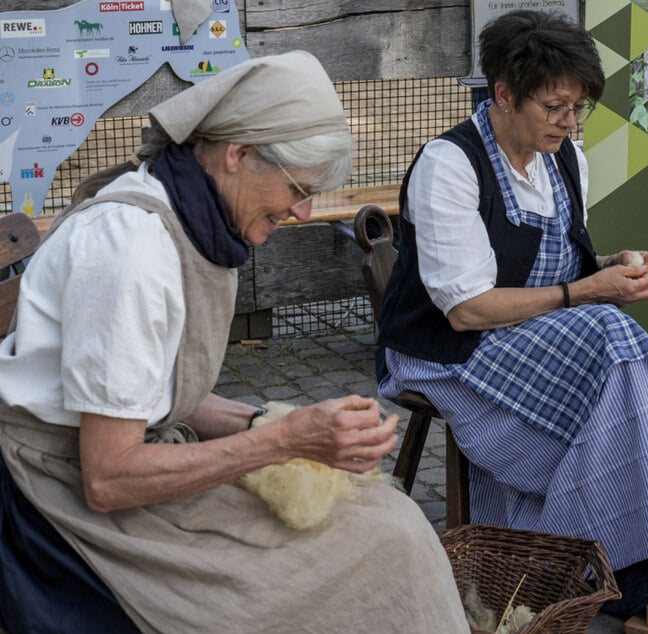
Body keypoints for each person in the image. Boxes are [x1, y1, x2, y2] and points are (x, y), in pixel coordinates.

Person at [0, 51, 469, 634]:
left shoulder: (193, 222)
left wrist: (269, 421)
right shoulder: (132, 252)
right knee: (379, 547)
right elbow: (108, 476)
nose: (302, 211)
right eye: (298, 187)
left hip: (126, 461)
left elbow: (150, 391)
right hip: (62, 495)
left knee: (389, 521)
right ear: (238, 154)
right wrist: (281, 442)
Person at [376, 9, 648, 626]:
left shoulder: (563, 158)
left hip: (528, 333)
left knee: (616, 357)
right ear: (504, 94)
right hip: (448, 351)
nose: (569, 123)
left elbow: (558, 263)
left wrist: (609, 267)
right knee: (613, 341)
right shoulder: (451, 166)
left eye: (578, 109)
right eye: (554, 107)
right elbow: (466, 309)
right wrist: (587, 292)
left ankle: (625, 563)